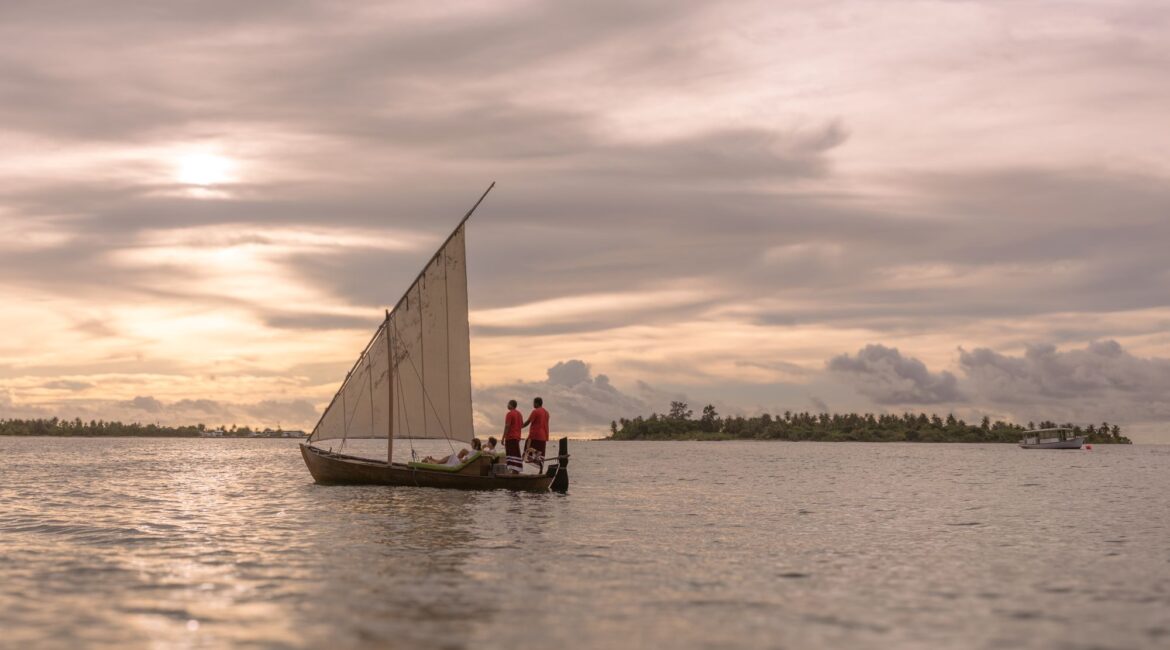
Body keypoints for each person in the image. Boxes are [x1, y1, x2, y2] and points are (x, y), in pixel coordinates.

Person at [522, 396, 550, 471]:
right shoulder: (546, 413)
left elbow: (528, 422)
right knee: (541, 456)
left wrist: (519, 427)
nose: (533, 404)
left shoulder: (535, 411)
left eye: (534, 403)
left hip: (534, 435)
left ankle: (518, 468)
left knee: (526, 450)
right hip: (543, 436)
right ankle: (540, 471)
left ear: (537, 403)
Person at [503, 399, 524, 474]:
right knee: (516, 453)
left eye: (508, 404)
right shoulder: (519, 414)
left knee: (511, 453)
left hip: (511, 437)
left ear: (511, 405)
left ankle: (514, 470)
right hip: (517, 437)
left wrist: (503, 438)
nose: (507, 405)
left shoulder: (510, 414)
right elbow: (522, 425)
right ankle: (516, 469)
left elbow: (507, 426)